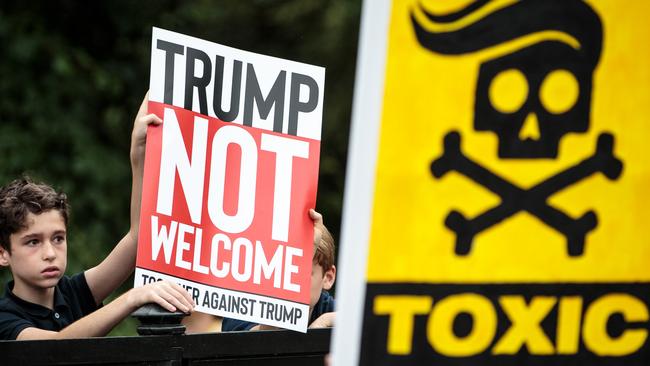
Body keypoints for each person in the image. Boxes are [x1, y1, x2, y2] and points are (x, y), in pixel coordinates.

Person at [0, 94, 195, 340]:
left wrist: (138, 154)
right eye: (33, 242)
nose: (50, 252)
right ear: (3, 253)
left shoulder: (74, 292)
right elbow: (58, 349)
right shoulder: (5, 318)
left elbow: (139, 238)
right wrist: (132, 298)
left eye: (58, 238)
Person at [220, 209, 336, 331]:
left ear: (328, 278)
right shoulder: (243, 306)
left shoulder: (326, 306)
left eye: (302, 272)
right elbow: (260, 339)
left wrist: (325, 321)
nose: (287, 280)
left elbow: (355, 315)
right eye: (277, 270)